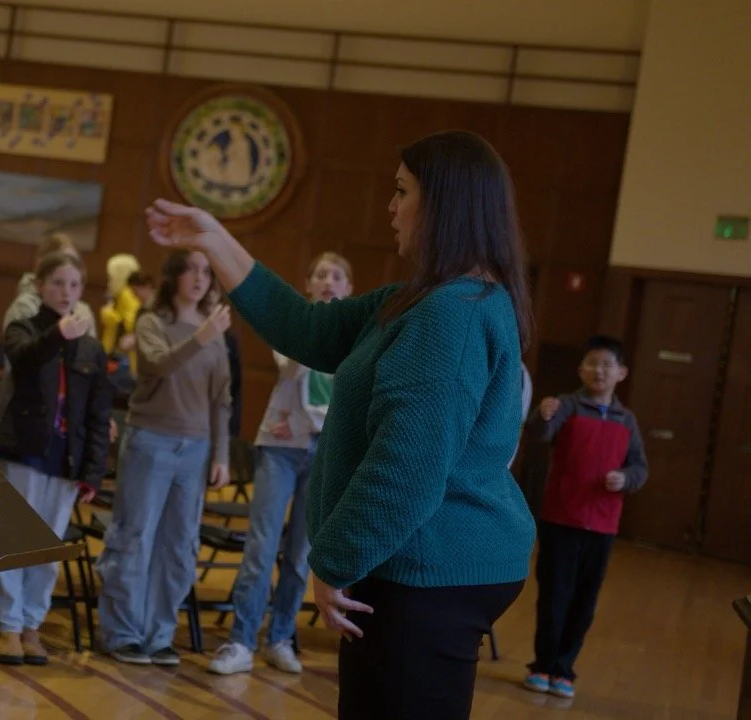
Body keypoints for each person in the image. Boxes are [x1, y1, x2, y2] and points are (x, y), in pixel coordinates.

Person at [144, 130, 537, 719]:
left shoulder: (449, 316)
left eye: (402, 191)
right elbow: (307, 328)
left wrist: (334, 562)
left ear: (444, 205)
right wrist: (215, 238)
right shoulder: (427, 299)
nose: (391, 206)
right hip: (422, 562)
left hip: (424, 570)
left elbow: (406, 468)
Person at [209, 251, 353, 676]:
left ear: (349, 289)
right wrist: (314, 326)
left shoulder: (355, 337)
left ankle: (280, 637)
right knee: (262, 544)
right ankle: (240, 641)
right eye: (321, 274)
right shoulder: (295, 326)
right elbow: (291, 369)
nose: (329, 281)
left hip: (325, 449)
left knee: (299, 555)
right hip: (280, 446)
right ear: (308, 285)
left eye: (337, 276)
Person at [97, 249, 231, 666]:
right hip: (150, 440)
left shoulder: (214, 331)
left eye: (207, 271)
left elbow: (221, 398)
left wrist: (221, 453)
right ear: (173, 275)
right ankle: (121, 632)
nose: (200, 277)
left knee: (179, 546)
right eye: (191, 269)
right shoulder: (152, 321)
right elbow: (156, 365)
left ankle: (158, 634)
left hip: (195, 448)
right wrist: (202, 338)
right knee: (134, 536)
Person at [0, 251, 112, 666]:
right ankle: (7, 624)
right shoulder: (24, 328)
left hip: (66, 459)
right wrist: (58, 334)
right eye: (58, 283)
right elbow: (22, 361)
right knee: (12, 542)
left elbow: (98, 415)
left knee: (45, 548)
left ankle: (30, 625)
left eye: (74, 285)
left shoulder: (91, 348)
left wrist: (93, 471)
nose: (66, 292)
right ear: (39, 285)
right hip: (24, 451)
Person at [523, 334, 647, 700]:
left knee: (584, 600)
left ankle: (564, 669)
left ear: (621, 373)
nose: (599, 371)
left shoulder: (628, 420)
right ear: (581, 369)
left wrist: (625, 478)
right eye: (592, 363)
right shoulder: (566, 405)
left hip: (604, 524)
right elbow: (540, 434)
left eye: (608, 365)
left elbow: (639, 466)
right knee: (554, 594)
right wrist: (541, 416)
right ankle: (542, 665)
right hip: (561, 517)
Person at [0, 232, 97, 426]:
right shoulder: (24, 308)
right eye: (59, 261)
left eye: (73, 261)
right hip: (25, 415)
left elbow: (90, 368)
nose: (67, 267)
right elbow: (19, 361)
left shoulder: (83, 311)